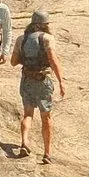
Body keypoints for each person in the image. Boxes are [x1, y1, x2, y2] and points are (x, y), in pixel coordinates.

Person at [13, 11, 64, 162]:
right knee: (45, 117)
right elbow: (53, 60)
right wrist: (61, 81)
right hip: (43, 80)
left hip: (27, 79)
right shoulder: (47, 39)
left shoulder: (21, 39)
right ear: (45, 25)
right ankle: (47, 154)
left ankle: (24, 141)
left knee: (28, 113)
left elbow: (13, 62)